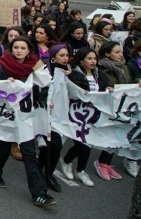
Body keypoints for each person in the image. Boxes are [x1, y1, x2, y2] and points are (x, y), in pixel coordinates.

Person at [0, 36, 56, 206]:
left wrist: (37, 62)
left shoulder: (33, 67)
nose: (19, 50)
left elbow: (47, 81)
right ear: (11, 49)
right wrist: (6, 85)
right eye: (16, 47)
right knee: (3, 145)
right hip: (6, 114)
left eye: (23, 48)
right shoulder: (0, 66)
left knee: (29, 153)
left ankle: (39, 193)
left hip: (26, 116)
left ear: (28, 50)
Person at [58, 47, 112, 187]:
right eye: (89, 58)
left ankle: (80, 170)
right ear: (81, 61)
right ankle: (67, 161)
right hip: (75, 113)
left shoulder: (98, 74)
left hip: (92, 114)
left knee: (87, 144)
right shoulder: (74, 73)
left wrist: (109, 88)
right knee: (81, 144)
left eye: (94, 58)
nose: (93, 61)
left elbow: (106, 84)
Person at [94, 41, 138, 179]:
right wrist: (108, 88)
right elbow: (101, 85)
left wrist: (136, 83)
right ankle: (101, 162)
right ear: (107, 54)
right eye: (117, 52)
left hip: (122, 107)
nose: (121, 55)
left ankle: (107, 163)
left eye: (121, 52)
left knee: (117, 136)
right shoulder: (101, 67)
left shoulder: (123, 67)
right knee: (109, 136)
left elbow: (128, 84)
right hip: (108, 107)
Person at [41, 44, 70, 193]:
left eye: (66, 55)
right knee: (53, 145)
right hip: (46, 116)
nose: (65, 58)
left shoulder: (70, 72)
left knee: (54, 146)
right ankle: (44, 173)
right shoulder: (45, 72)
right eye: (61, 56)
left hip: (61, 117)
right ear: (53, 58)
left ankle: (48, 173)